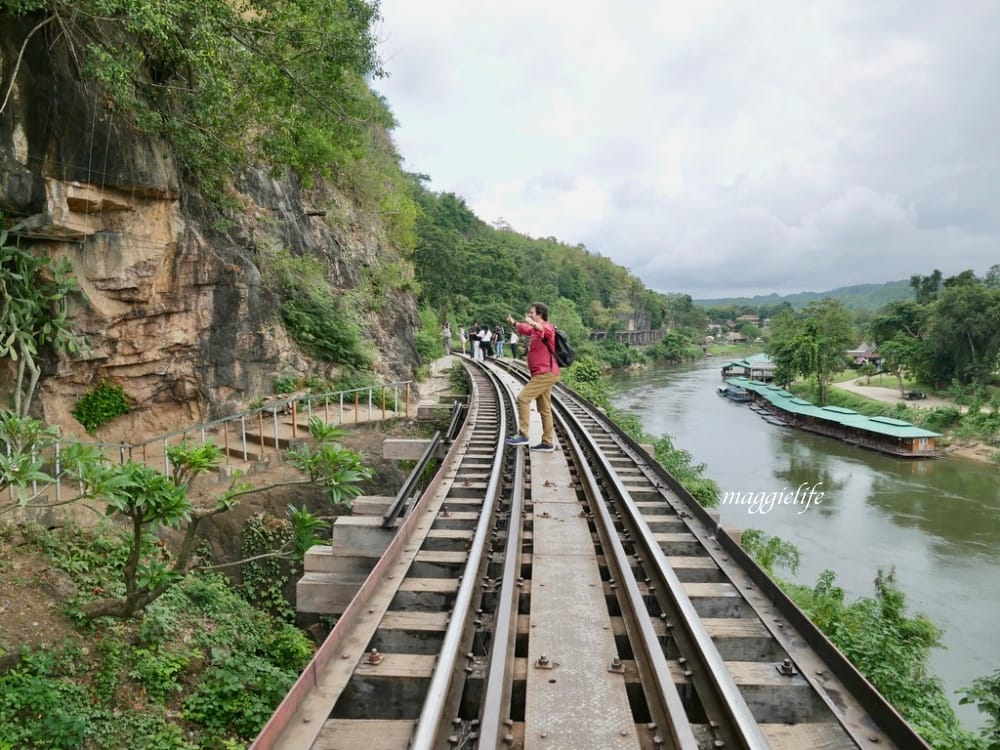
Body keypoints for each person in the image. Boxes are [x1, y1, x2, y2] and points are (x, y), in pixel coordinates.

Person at [504, 302, 559, 451]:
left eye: (532, 313)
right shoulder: (535, 330)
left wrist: (534, 323)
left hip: (545, 372)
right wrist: (515, 323)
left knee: (523, 398)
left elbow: (541, 328)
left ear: (540, 314)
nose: (529, 315)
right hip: (543, 372)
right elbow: (526, 328)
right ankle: (547, 442)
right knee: (544, 408)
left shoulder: (547, 327)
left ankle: (523, 434)